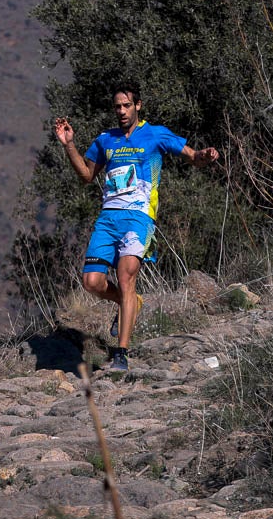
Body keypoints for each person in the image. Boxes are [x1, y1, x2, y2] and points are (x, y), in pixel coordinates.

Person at [54, 80, 220, 372]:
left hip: (139, 218)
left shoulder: (155, 134)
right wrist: (69, 145)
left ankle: (121, 354)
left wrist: (204, 156)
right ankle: (131, 303)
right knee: (91, 282)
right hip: (108, 218)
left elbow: (192, 157)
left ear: (137, 106)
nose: (121, 111)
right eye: (117, 106)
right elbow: (85, 176)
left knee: (126, 276)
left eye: (126, 105)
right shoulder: (106, 140)